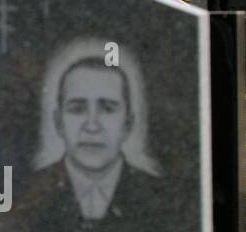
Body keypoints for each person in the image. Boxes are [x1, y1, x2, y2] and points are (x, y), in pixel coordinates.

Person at [19, 56, 157, 223]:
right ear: (58, 122)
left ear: (128, 124)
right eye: (77, 109)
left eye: (107, 109)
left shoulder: (163, 197)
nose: (92, 126)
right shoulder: (23, 195)